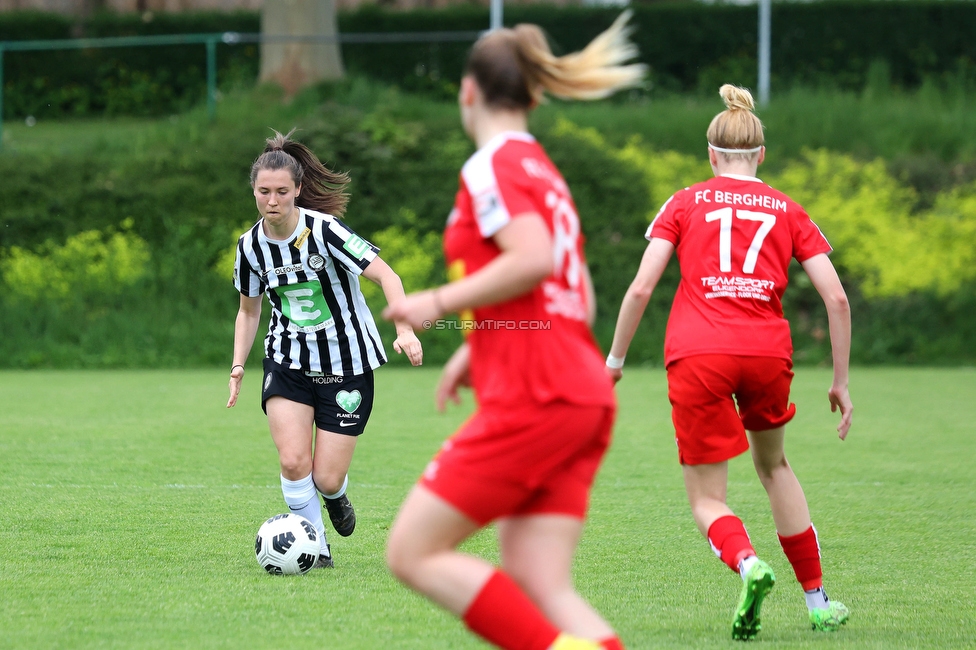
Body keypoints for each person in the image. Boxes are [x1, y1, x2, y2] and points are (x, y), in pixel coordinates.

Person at [380, 13, 645, 650]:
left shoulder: (489, 166)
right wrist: (479, 346)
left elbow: (533, 259)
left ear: (468, 92)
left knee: (411, 552)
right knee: (538, 579)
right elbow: (570, 291)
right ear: (531, 94)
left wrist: (436, 302)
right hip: (579, 388)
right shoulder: (542, 170)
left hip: (538, 393)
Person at [605, 84, 853, 639]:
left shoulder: (685, 201)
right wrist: (840, 382)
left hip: (698, 354)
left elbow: (641, 289)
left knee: (707, 498)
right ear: (761, 155)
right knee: (775, 468)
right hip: (768, 352)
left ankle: (747, 564)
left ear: (711, 155)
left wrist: (615, 360)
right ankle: (817, 601)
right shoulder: (788, 209)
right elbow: (836, 299)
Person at [226, 129, 423, 568]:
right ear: (253, 192)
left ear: (298, 190)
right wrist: (238, 364)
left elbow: (388, 277)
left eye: (281, 191)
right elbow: (249, 311)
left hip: (346, 363)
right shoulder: (249, 247)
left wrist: (405, 330)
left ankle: (334, 495)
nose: (272, 200)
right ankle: (317, 551)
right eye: (263, 192)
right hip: (288, 360)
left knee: (326, 476)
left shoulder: (327, 231)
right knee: (294, 462)